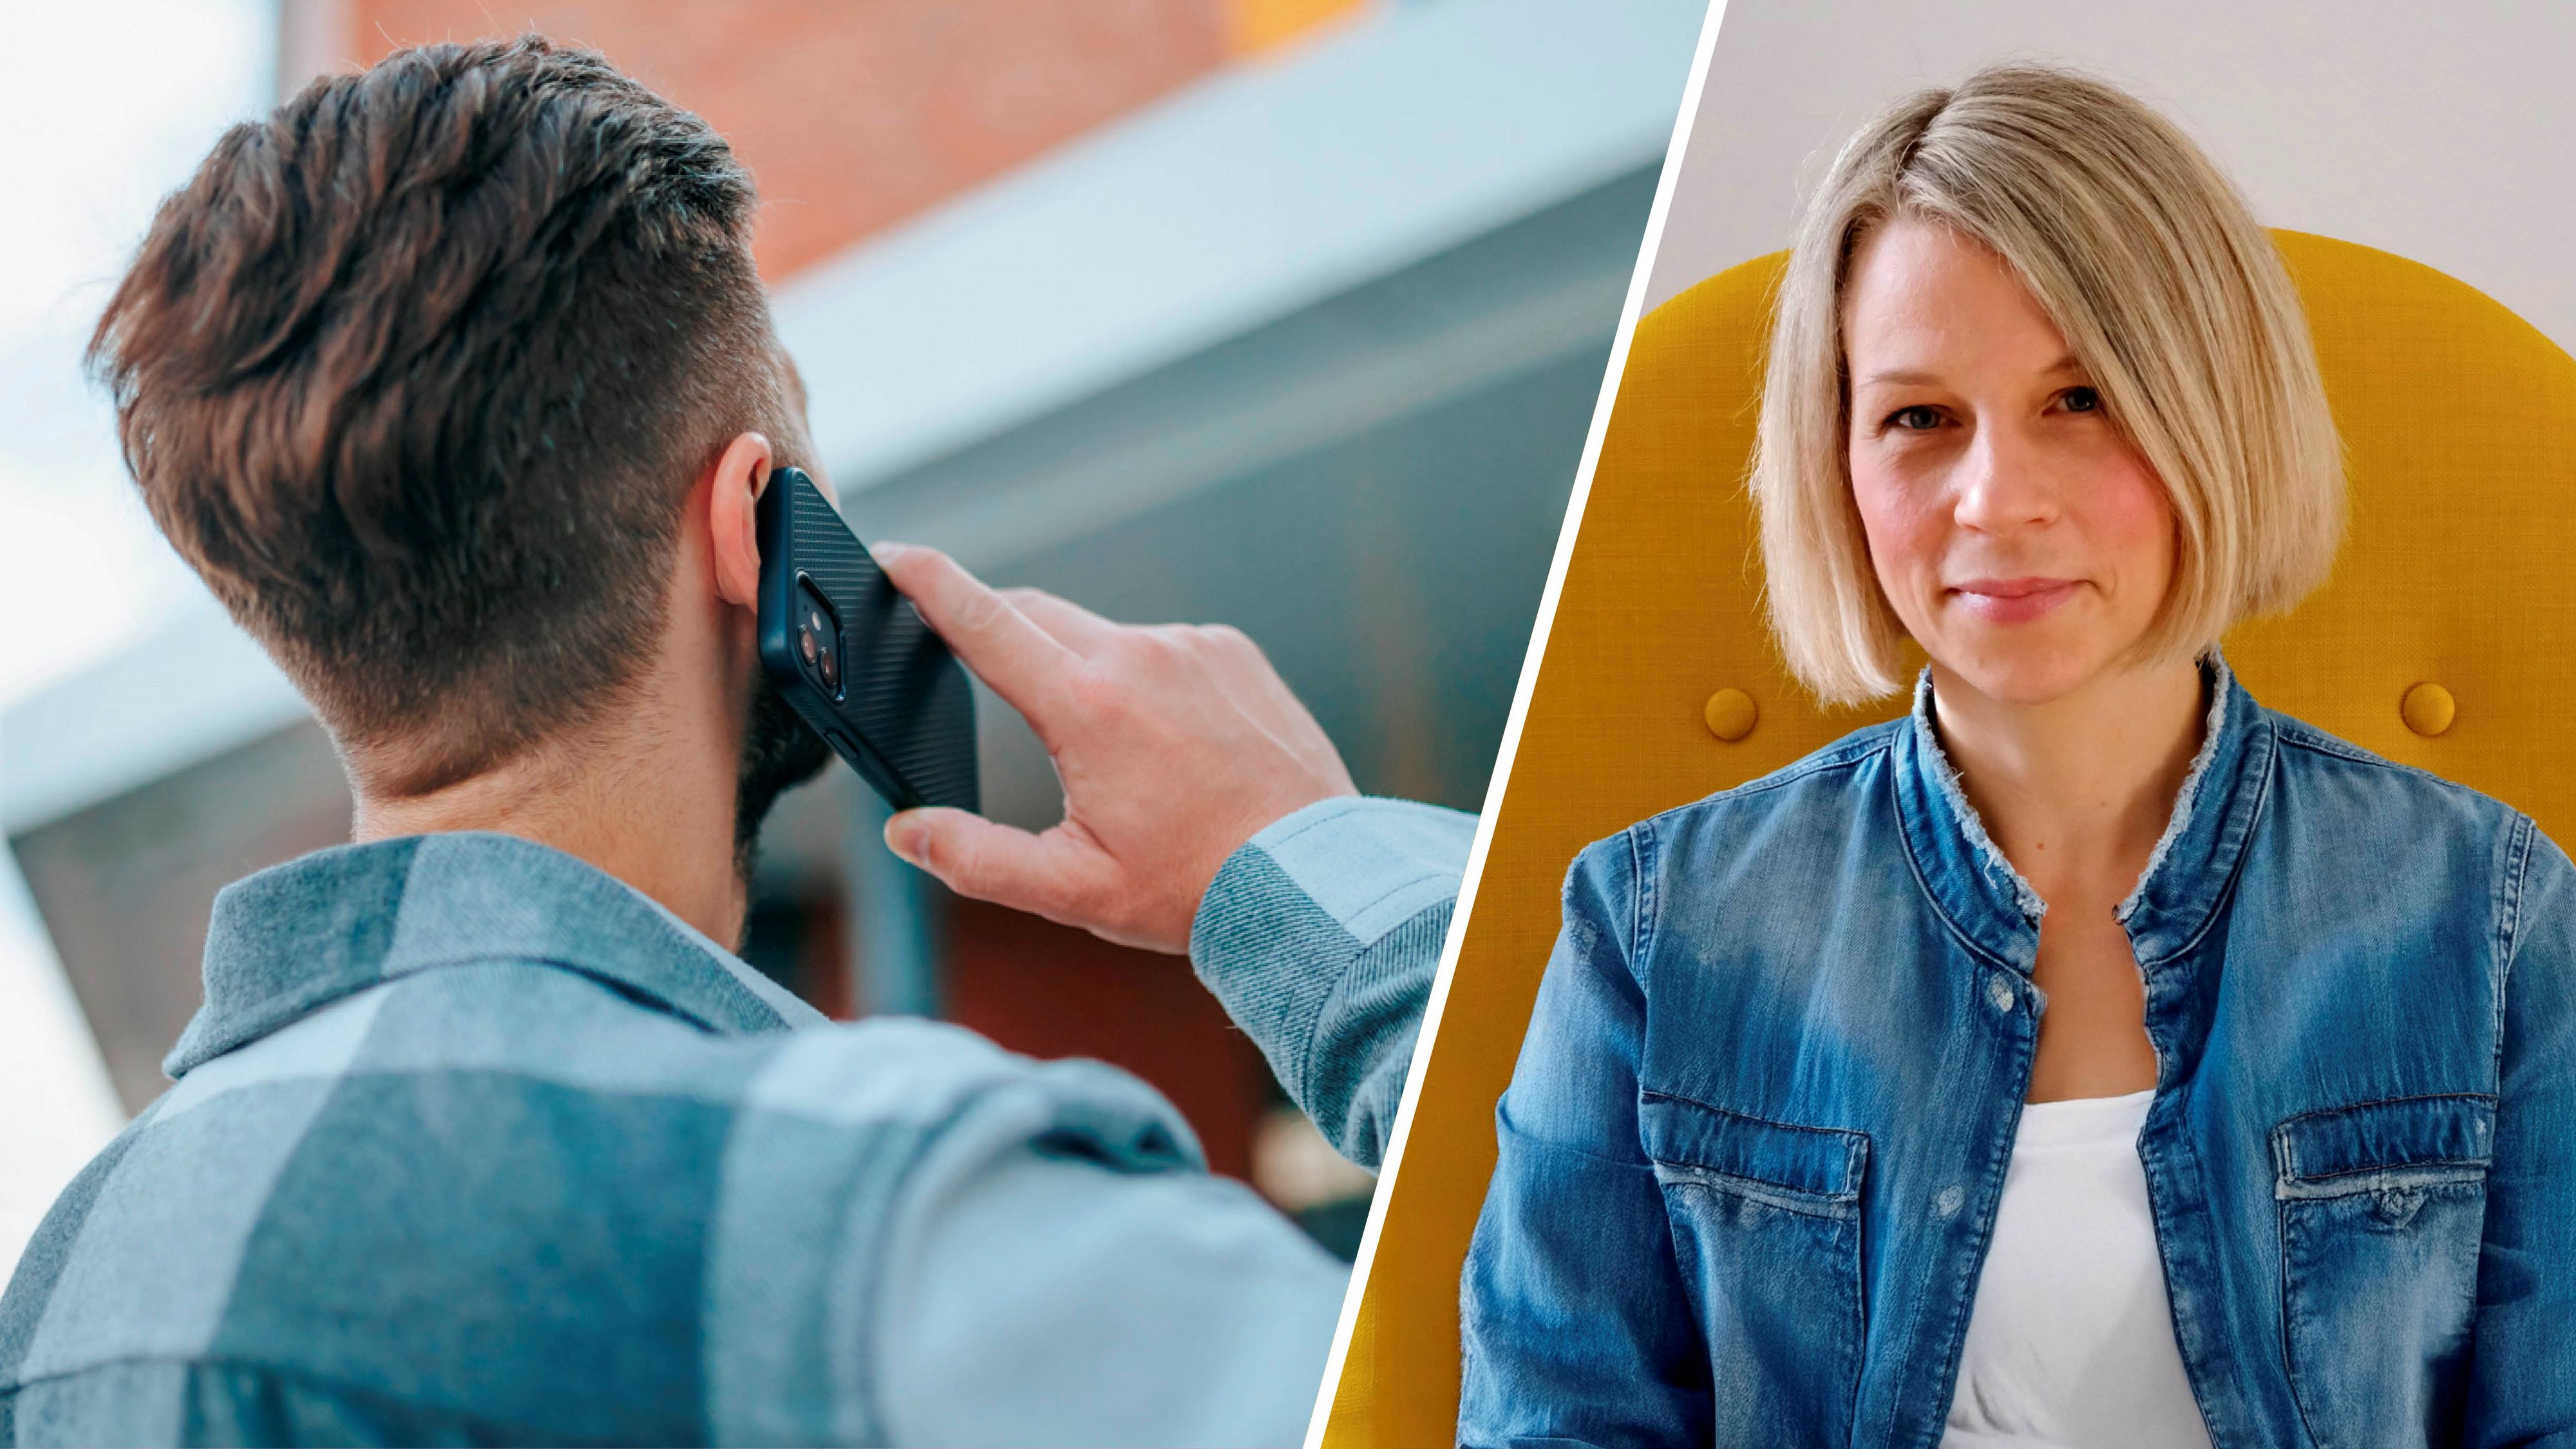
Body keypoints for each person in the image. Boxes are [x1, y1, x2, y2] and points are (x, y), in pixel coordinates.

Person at [0, 39, 1473, 1447]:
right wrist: (1308, 874)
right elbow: (1640, 1346)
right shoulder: (920, 1219)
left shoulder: (63, 1288)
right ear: (746, 526)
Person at [1457, 64, 2575, 1447]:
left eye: (2080, 397)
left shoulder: (2485, 912)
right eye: (1918, 418)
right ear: (1838, 462)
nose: (1993, 500)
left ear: (2208, 411)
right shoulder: (1652, 928)